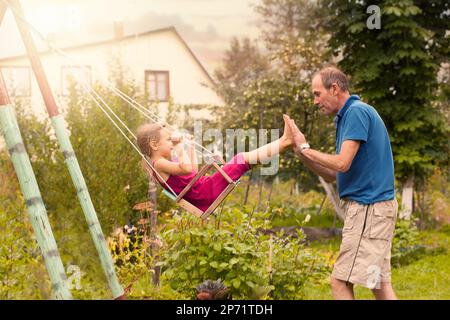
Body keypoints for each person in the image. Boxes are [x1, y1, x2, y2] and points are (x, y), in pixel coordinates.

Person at [287, 66, 398, 300]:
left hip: (368, 209)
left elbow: (342, 163)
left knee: (339, 282)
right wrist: (301, 153)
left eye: (317, 94)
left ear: (334, 88)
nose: (315, 101)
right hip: (376, 210)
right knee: (378, 283)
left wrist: (307, 148)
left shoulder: (356, 113)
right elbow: (335, 175)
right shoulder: (349, 116)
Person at [136, 115, 294, 212]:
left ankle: (284, 141)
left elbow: (193, 171)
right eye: (168, 140)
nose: (172, 143)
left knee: (242, 159)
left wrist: (189, 147)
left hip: (203, 188)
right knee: (242, 158)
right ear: (154, 145)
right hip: (205, 192)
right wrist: (179, 147)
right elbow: (186, 168)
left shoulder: (162, 162)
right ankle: (284, 142)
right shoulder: (158, 164)